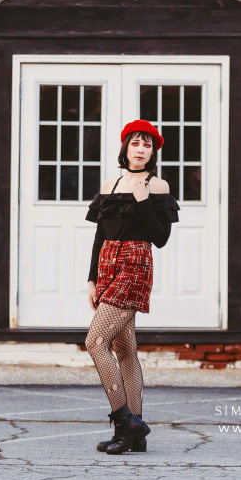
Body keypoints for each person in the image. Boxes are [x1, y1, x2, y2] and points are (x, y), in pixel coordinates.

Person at [83, 119, 180, 455]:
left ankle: (125, 421)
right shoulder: (110, 186)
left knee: (95, 341)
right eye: (136, 143)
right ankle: (133, 436)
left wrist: (141, 201)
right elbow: (99, 235)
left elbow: (161, 237)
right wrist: (92, 278)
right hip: (108, 266)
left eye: (148, 145)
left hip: (135, 265)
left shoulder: (158, 187)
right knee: (124, 350)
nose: (141, 149)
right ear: (125, 147)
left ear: (153, 152)